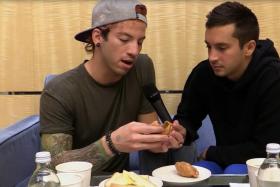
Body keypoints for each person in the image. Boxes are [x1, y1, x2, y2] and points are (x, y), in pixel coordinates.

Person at [40, 0, 186, 174]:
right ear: (98, 37)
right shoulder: (59, 91)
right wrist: (111, 144)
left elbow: (149, 137)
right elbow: (52, 168)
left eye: (140, 42)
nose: (134, 50)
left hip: (121, 182)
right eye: (124, 39)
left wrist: (164, 139)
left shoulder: (141, 67)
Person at [175, 1, 280, 174]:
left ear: (249, 48)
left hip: (266, 165)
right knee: (200, 173)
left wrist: (211, 152)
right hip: (225, 158)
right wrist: (180, 133)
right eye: (209, 47)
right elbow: (187, 120)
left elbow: (265, 149)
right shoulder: (204, 74)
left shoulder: (273, 78)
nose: (212, 57)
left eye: (222, 48)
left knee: (235, 170)